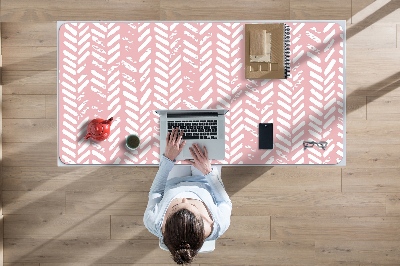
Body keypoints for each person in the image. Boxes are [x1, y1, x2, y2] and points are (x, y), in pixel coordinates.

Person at [144, 127, 232, 264]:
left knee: (172, 144)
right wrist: (208, 171)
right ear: (204, 222)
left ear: (165, 224)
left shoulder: (153, 222)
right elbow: (224, 202)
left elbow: (156, 192)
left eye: (176, 206)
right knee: (210, 142)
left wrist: (168, 159)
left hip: (173, 181)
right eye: (192, 205)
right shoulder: (220, 224)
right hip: (205, 180)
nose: (184, 198)